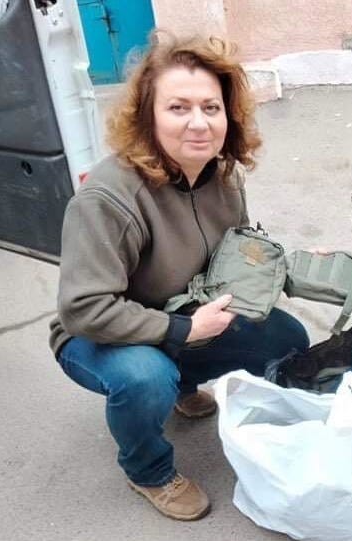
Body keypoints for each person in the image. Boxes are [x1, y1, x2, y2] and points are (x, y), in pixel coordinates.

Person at [49, 32, 309, 521]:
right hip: (93, 333)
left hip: (184, 310)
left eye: (211, 107)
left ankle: (183, 383)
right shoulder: (107, 200)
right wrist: (183, 331)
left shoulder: (225, 176)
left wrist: (280, 263)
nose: (198, 123)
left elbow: (235, 253)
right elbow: (83, 308)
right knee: (146, 378)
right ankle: (147, 469)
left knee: (287, 336)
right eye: (178, 108)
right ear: (147, 116)